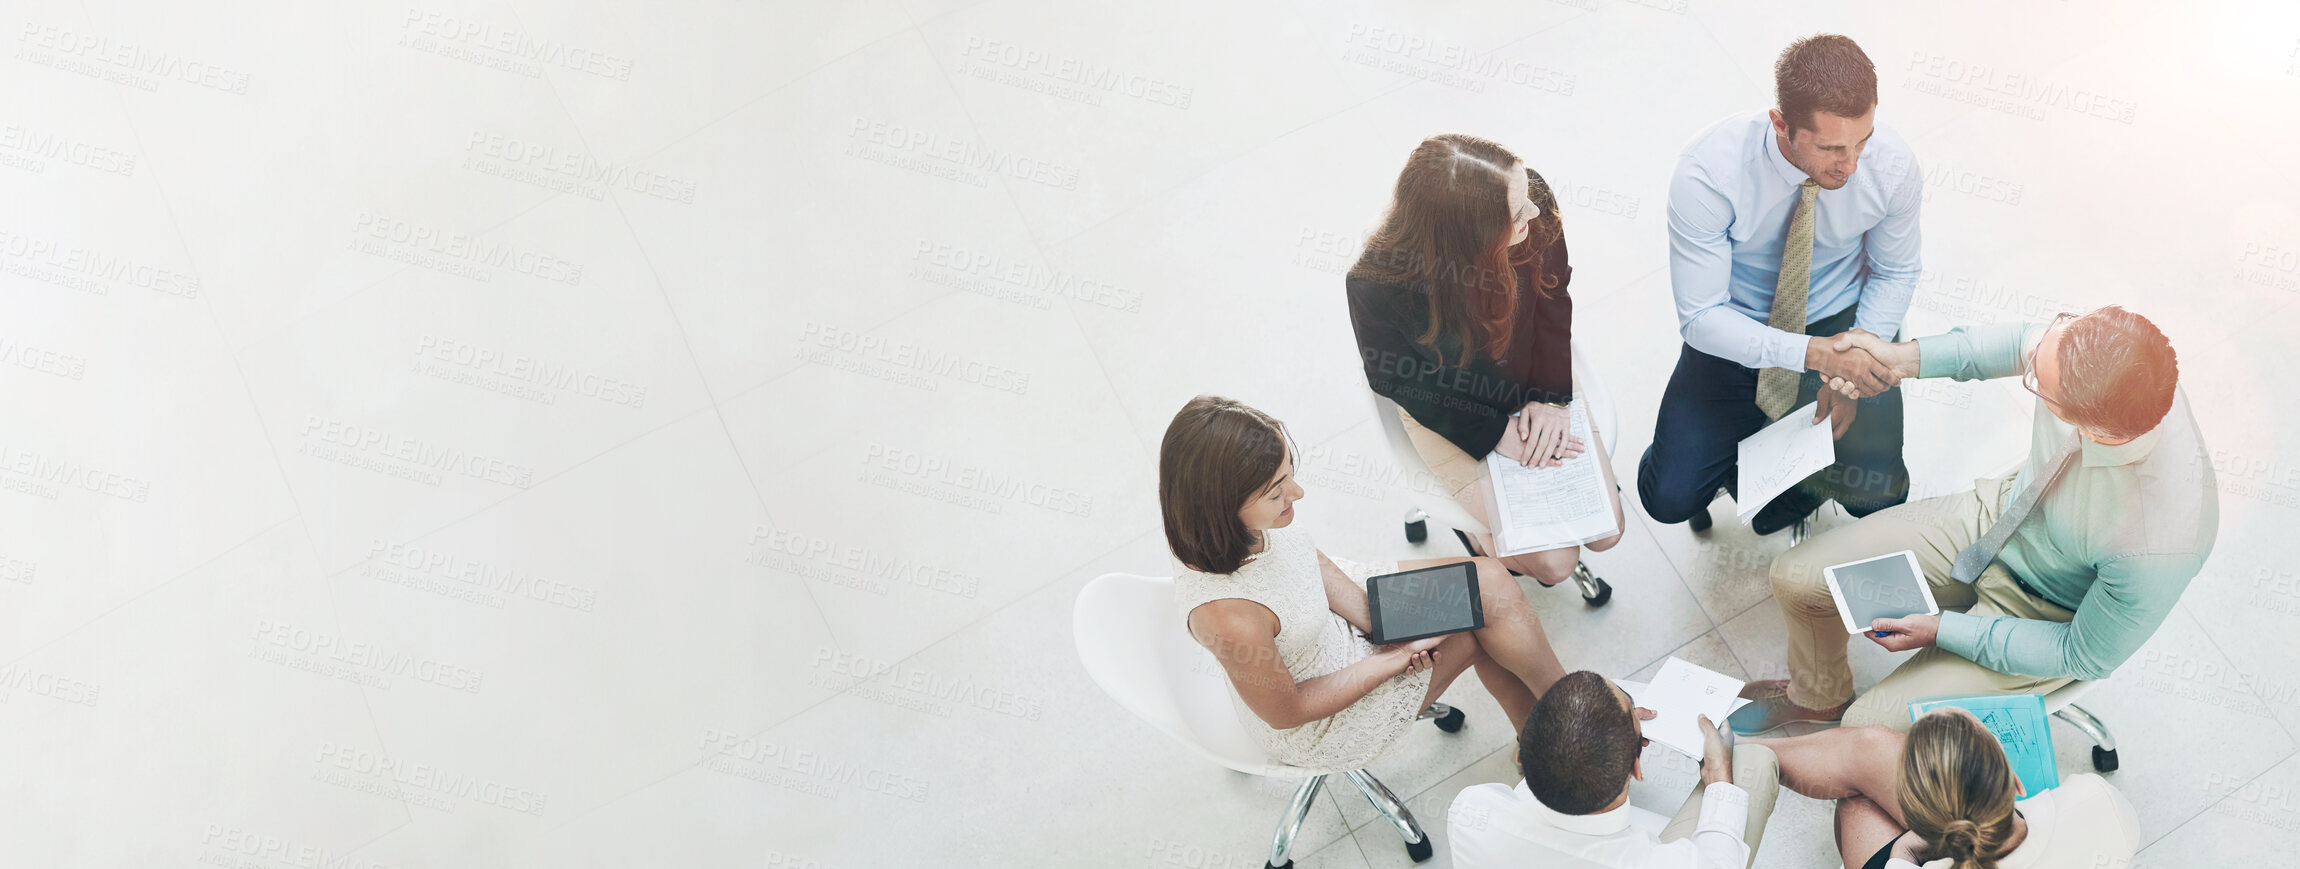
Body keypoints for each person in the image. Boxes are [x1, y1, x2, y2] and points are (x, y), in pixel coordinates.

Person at [1731, 306, 2215, 735]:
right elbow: (2010, 344)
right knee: (1796, 577)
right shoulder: (2100, 348)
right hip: (1995, 516)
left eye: (2037, 384)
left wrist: (1943, 631)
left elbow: (2080, 654)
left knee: (1866, 729)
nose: (2031, 359)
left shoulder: (2162, 542)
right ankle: (1821, 696)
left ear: (2083, 423)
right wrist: (1897, 360)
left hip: (2040, 616)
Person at [1159, 395, 1570, 768]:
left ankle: (1568, 715)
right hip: (1322, 714)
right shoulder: (1229, 618)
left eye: (1289, 476)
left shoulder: (1218, 525)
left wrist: (1378, 621)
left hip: (1334, 621)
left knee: (1489, 584)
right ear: (1221, 509)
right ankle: (1565, 734)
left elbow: (1301, 558)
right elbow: (1289, 711)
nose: (1297, 493)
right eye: (1275, 492)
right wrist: (1390, 660)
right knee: (1482, 622)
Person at [1637, 33, 1922, 535]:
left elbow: (1895, 271)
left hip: (1843, 323)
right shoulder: (1708, 172)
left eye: (1863, 141)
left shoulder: (1892, 166)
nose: (1852, 165)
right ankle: (1735, 469)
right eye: (1832, 147)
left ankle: (1770, 493)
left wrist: (1855, 362)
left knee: (1878, 498)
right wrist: (1815, 357)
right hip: (1740, 324)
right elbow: (1701, 317)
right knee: (1668, 497)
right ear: (1780, 125)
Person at [1347, 133, 1626, 585]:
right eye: (1517, 214)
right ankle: (1480, 543)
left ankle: (1499, 540)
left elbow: (1553, 300)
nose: (1533, 213)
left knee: (1607, 533)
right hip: (1450, 407)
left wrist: (1552, 398)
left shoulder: (1530, 201)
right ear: (1469, 238)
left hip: (1533, 379)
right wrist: (1493, 431)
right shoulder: (1376, 282)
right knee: (1554, 566)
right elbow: (1395, 377)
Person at [1448, 671, 1780, 868]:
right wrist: (1719, 776)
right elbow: (1721, 860)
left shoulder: (1469, 810)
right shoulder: (1664, 863)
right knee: (1756, 763)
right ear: (1637, 768)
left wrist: (1596, 731)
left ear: (1521, 756)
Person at [1744, 707, 2139, 869]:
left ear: (1912, 818)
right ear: (2011, 777)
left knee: (1857, 802)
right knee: (1869, 748)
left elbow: (1900, 850)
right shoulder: (2096, 798)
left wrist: (1904, 850)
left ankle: (1740, 759)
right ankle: (1747, 755)